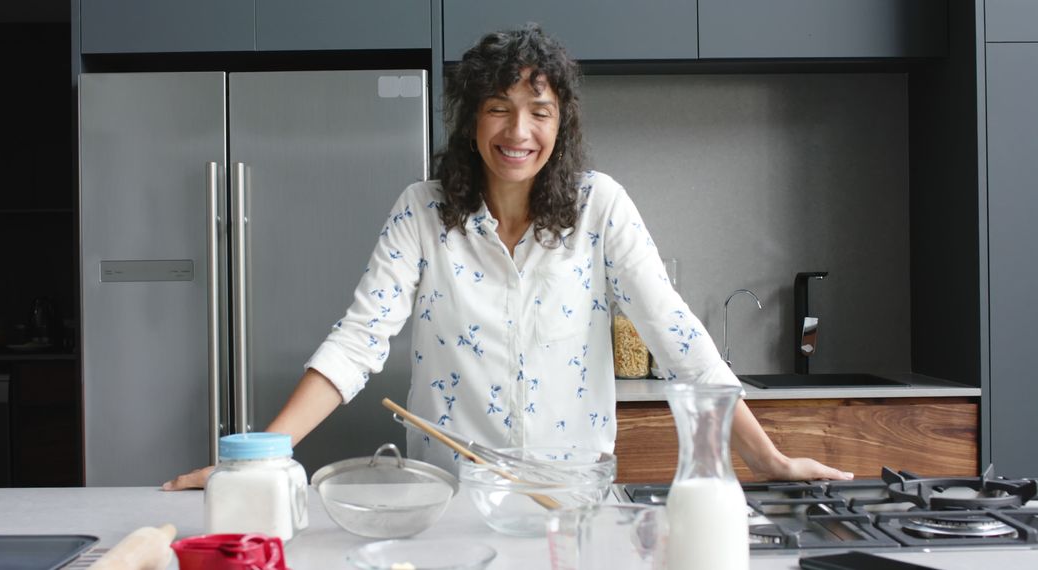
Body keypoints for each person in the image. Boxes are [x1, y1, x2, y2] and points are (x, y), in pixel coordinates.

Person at [164, 23, 851, 490]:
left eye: (539, 110)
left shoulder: (600, 208)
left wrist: (770, 458)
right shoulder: (422, 211)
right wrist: (261, 458)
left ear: (562, 123)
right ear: (470, 119)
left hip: (572, 502)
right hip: (449, 498)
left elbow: (680, 340)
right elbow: (358, 340)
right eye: (498, 107)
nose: (518, 130)